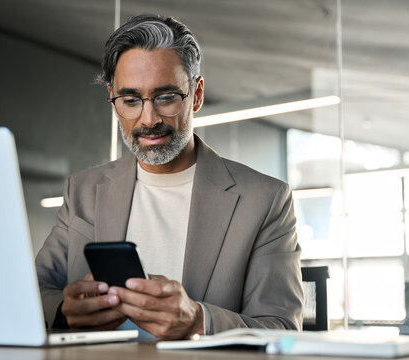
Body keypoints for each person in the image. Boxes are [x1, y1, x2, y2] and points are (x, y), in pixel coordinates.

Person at [35, 14, 303, 340]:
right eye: (130, 100)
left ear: (197, 94)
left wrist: (199, 321)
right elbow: (34, 291)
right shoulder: (83, 190)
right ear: (113, 98)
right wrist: (64, 312)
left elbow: (283, 328)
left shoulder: (264, 200)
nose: (148, 119)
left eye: (166, 97)